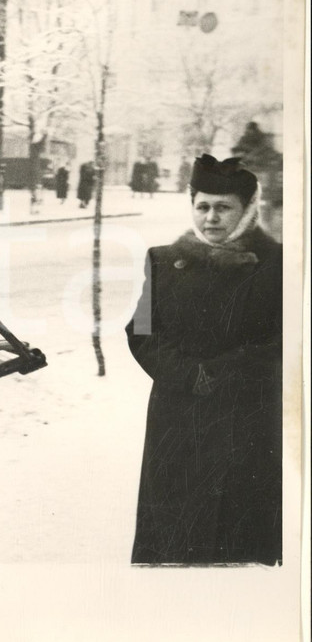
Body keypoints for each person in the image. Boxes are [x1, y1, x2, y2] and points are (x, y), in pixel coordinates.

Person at [125, 154, 282, 565]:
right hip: (176, 419)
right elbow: (140, 331)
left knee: (238, 536)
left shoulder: (279, 265)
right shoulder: (162, 260)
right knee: (175, 534)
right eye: (203, 206)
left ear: (248, 210)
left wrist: (221, 373)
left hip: (245, 418)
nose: (211, 217)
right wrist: (188, 374)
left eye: (224, 207)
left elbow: (284, 340)